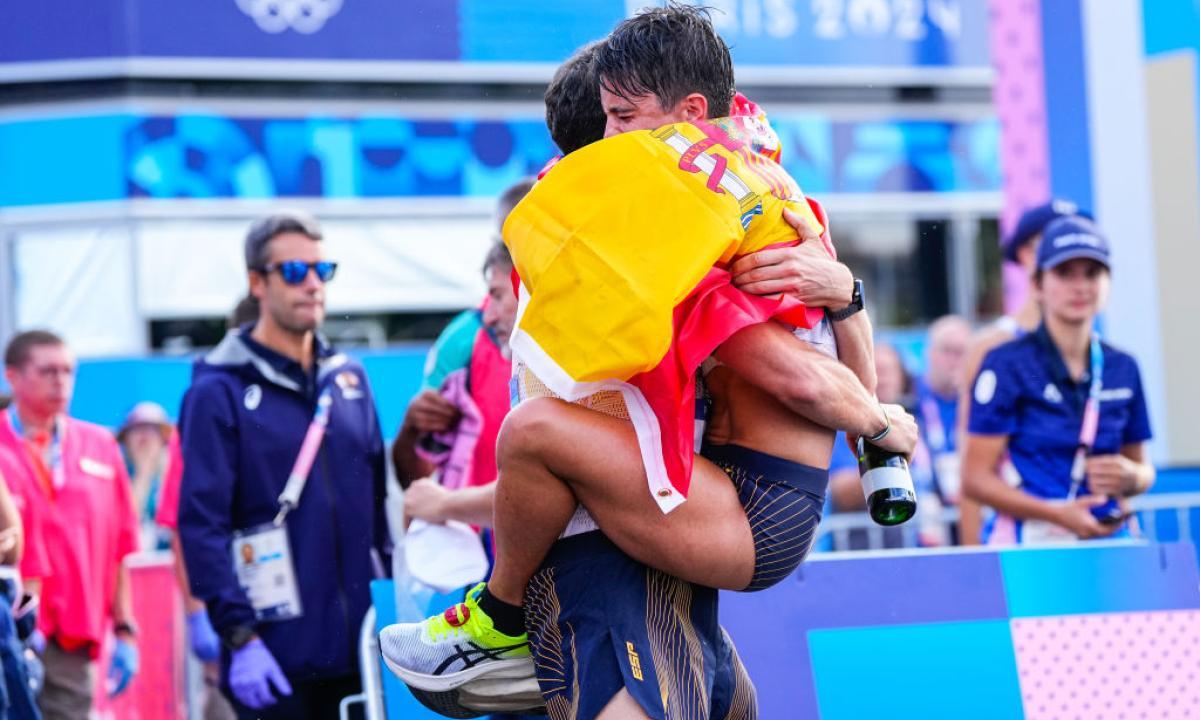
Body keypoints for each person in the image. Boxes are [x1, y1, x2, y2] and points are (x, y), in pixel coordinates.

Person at [382, 9, 916, 719]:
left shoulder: (698, 231)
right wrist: (857, 334)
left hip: (707, 524)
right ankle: (502, 623)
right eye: (605, 123)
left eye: (622, 119)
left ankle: (499, 616)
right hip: (710, 517)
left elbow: (798, 374)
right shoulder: (761, 197)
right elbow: (826, 364)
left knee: (533, 433)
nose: (613, 139)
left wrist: (877, 423)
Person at [177, 212, 390, 719]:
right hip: (272, 659)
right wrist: (238, 637)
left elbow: (378, 509)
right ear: (257, 282)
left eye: (323, 270)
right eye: (294, 271)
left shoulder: (350, 379)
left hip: (363, 650)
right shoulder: (217, 390)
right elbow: (201, 524)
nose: (313, 284)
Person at [962, 216, 1155, 544]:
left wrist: (1130, 476)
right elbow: (975, 479)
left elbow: (1142, 470)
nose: (1080, 286)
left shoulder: (1124, 366)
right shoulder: (1005, 363)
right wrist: (1056, 514)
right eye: (1065, 273)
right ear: (1037, 285)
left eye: (1092, 273)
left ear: (1107, 283)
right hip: (1032, 545)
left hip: (1108, 540)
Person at [0, 330, 140, 719]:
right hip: (5, 633)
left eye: (67, 371)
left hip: (71, 641)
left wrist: (125, 629)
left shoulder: (100, 445)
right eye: (47, 371)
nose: (60, 381)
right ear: (12, 376)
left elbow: (121, 547)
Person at [956, 199, 1087, 543]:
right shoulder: (992, 346)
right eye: (1056, 240)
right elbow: (970, 460)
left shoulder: (1099, 351)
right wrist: (973, 560)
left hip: (1094, 536)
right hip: (1024, 542)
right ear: (1028, 257)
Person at [117, 401, 175, 551]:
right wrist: (143, 474)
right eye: (137, 430)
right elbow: (123, 528)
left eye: (152, 430)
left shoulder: (177, 477)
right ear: (126, 440)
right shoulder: (115, 477)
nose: (145, 437)